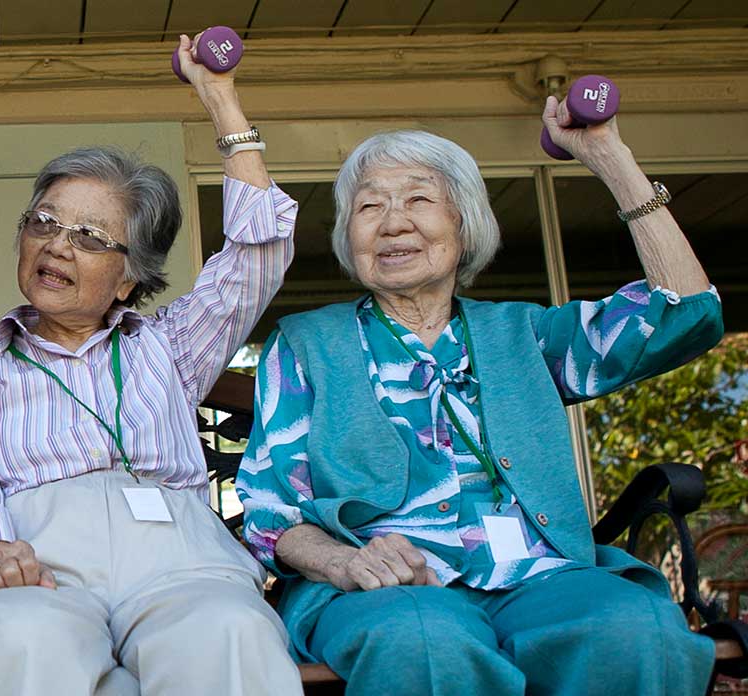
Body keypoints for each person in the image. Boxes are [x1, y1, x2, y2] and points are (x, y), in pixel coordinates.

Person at [235, 103, 722, 695]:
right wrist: (344, 562)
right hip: (386, 588)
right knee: (422, 641)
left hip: (540, 575)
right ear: (349, 237)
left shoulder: (526, 333)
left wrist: (609, 158)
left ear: (464, 226)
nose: (392, 223)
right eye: (369, 206)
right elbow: (271, 512)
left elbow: (685, 316)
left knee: (632, 627)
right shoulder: (307, 344)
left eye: (418, 200)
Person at [0, 33, 303, 696]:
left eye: (90, 238)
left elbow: (259, 255)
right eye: (43, 222)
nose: (57, 246)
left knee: (231, 633)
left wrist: (220, 98)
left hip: (179, 562)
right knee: (25, 639)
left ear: (129, 279)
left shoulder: (171, 345)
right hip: (37, 563)